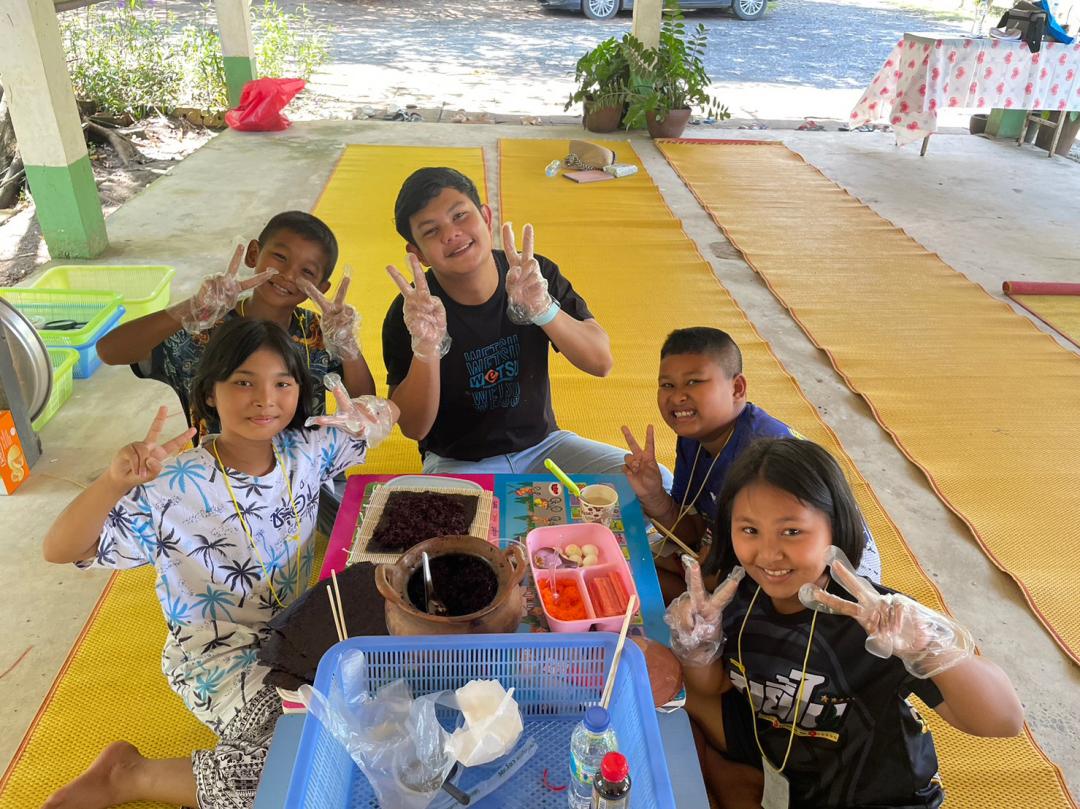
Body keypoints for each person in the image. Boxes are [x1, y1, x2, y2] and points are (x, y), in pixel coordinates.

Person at [41, 318, 397, 809]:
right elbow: (60, 549)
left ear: (300, 391)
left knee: (387, 712)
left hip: (304, 633)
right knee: (297, 769)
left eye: (282, 384)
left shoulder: (307, 449)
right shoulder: (172, 485)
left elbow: (386, 417)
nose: (265, 400)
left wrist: (372, 412)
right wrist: (112, 483)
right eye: (244, 383)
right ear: (210, 392)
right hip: (216, 654)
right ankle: (130, 776)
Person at [665, 437, 1023, 809]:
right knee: (665, 692)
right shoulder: (740, 596)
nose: (769, 554)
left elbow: (1005, 720)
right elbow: (715, 684)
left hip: (877, 795)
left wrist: (928, 649)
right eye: (750, 530)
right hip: (785, 758)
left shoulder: (878, 621)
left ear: (834, 529)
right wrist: (699, 645)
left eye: (792, 531)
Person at [382, 166, 663, 481]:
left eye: (460, 215)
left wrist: (543, 310)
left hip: (545, 448)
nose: (450, 234)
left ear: (486, 217)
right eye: (431, 231)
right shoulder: (412, 312)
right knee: (441, 513)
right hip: (457, 461)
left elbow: (601, 362)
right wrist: (427, 347)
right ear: (418, 253)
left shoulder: (533, 274)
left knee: (655, 484)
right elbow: (414, 427)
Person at [622, 327, 880, 600]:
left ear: (737, 388)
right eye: (667, 385)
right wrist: (654, 496)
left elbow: (773, 560)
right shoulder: (693, 437)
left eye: (694, 382)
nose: (677, 397)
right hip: (756, 559)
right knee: (635, 566)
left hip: (832, 582)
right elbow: (693, 532)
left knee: (638, 576)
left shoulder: (759, 458)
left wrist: (694, 568)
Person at [97, 210, 376, 438]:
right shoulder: (201, 327)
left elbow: (366, 406)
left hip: (306, 476)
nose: (289, 275)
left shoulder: (319, 333)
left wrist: (348, 346)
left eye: (307, 271)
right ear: (253, 254)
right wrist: (188, 309)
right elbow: (109, 351)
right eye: (280, 257)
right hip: (217, 476)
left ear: (321, 288)